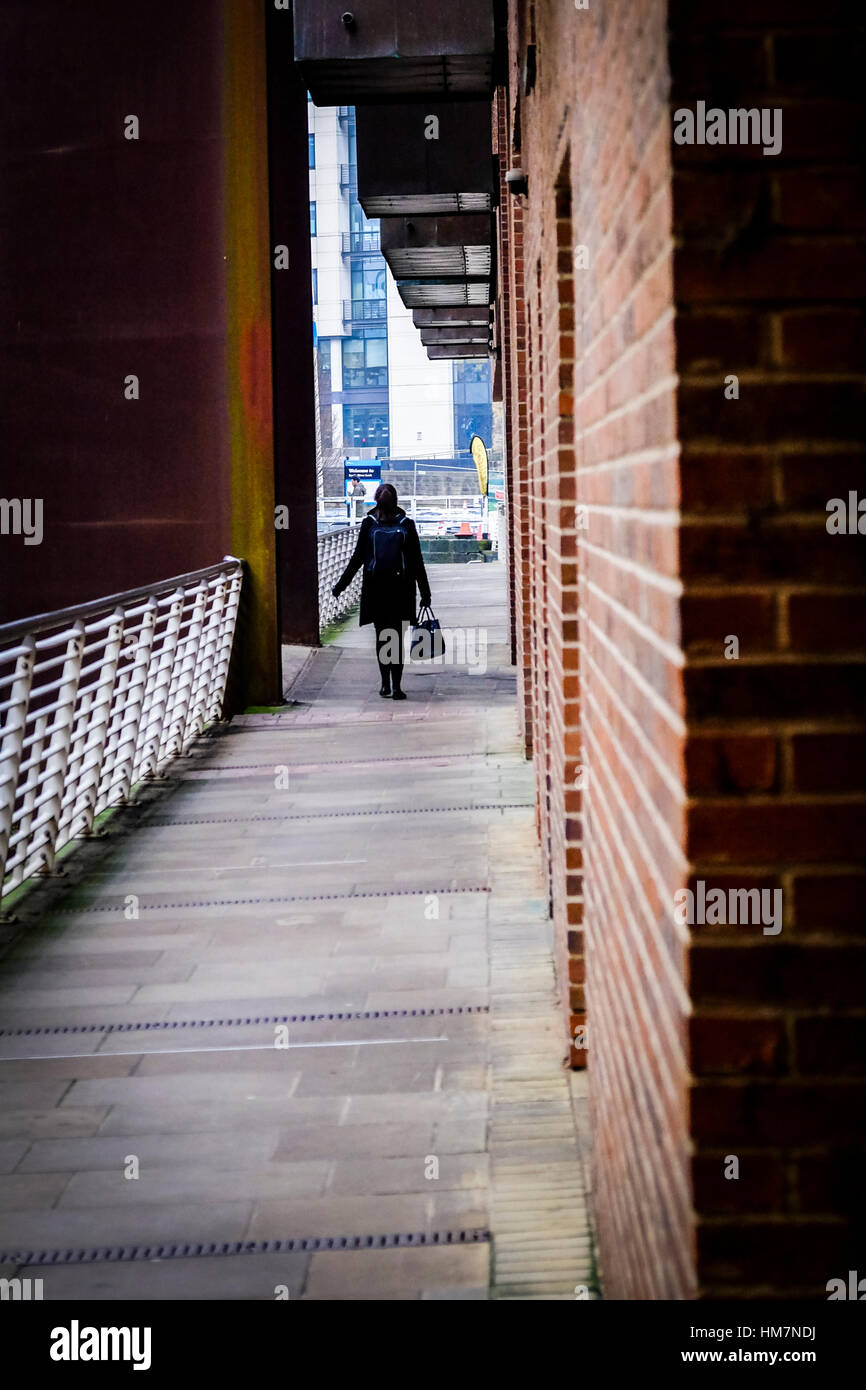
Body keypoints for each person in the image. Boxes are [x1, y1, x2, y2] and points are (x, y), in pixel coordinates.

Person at [331, 483, 431, 700]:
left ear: (376, 500)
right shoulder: (407, 524)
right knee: (396, 638)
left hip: (375, 590)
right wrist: (425, 593)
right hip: (401, 590)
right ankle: (397, 686)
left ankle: (384, 684)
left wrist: (340, 586)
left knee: (382, 637)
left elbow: (357, 559)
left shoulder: (369, 524)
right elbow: (416, 562)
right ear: (396, 501)